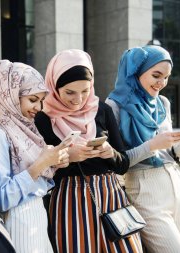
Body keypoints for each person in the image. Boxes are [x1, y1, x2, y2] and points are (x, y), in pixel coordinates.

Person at [34, 49, 143, 253]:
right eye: (70, 92)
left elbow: (123, 165)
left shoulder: (102, 110)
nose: (79, 99)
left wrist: (110, 152)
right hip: (69, 200)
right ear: (55, 87)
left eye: (85, 90)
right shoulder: (43, 119)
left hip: (111, 197)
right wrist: (67, 157)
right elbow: (40, 171)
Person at [106, 45, 180, 253]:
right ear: (136, 71)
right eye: (156, 75)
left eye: (166, 77)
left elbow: (169, 154)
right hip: (144, 189)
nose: (162, 83)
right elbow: (117, 161)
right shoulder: (114, 106)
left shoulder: (162, 103)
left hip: (175, 184)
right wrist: (152, 145)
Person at [0, 60, 70, 253]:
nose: (38, 107)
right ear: (11, 96)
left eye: (41, 101)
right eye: (32, 99)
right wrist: (42, 163)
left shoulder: (24, 131)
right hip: (17, 223)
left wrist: (53, 163)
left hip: (36, 220)